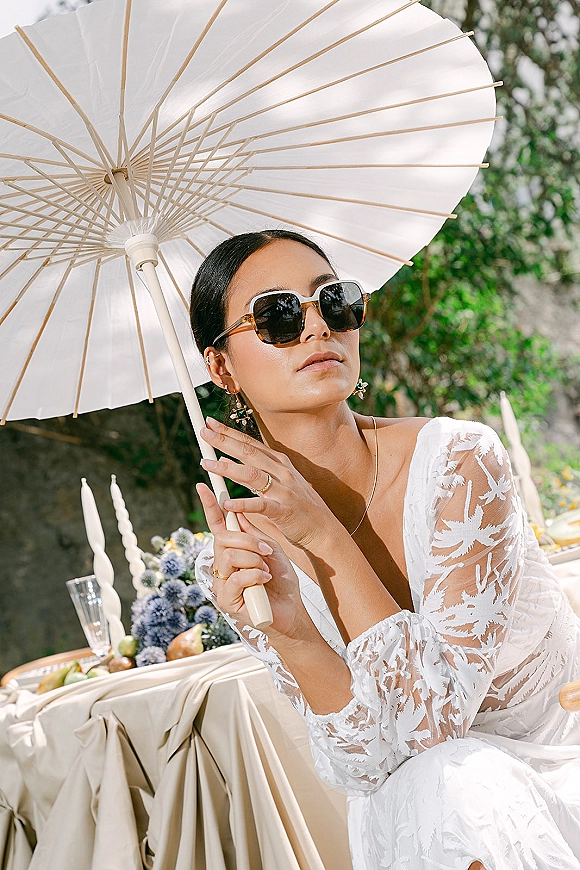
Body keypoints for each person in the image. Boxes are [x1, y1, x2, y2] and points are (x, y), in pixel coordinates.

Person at [190, 228, 580, 870]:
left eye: (334, 301)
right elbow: (365, 761)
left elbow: (434, 724)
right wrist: (292, 634)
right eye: (279, 316)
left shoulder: (460, 462)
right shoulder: (245, 560)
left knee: (455, 779)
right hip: (430, 807)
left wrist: (325, 538)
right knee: (433, 787)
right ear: (222, 367)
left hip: (557, 773)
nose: (317, 328)